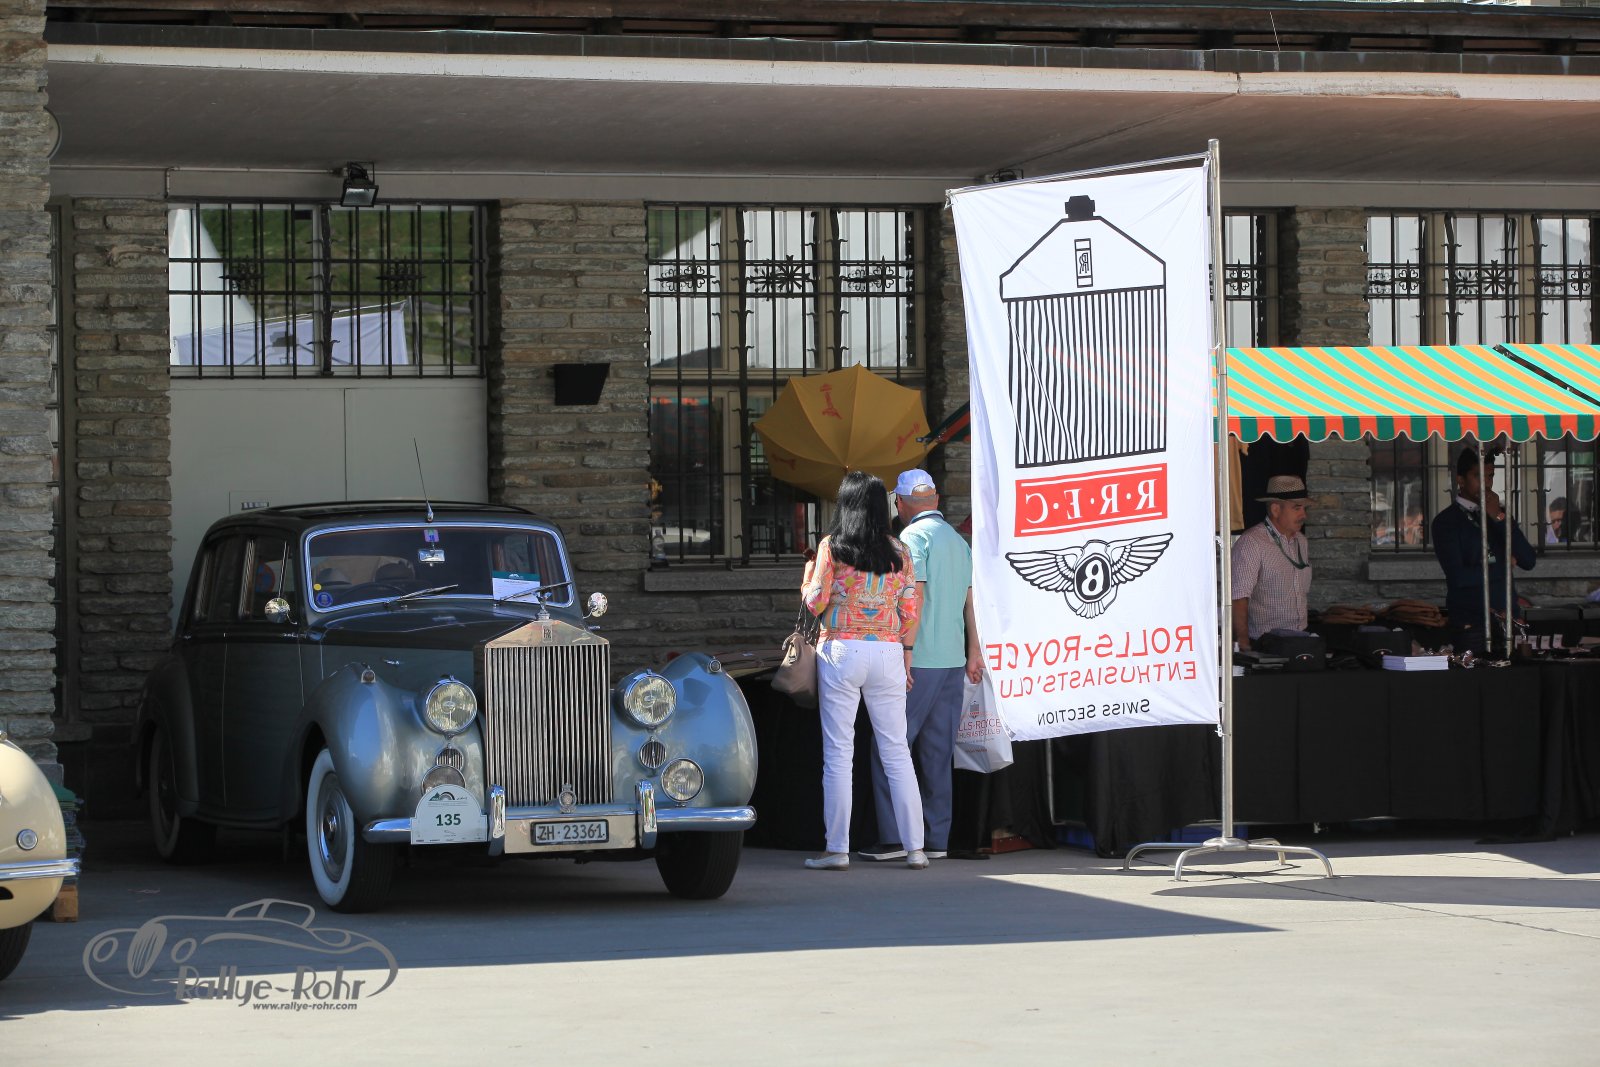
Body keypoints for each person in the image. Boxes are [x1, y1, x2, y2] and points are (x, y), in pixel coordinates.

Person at [800, 470, 927, 872]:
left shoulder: (832, 546)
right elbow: (910, 610)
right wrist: (904, 651)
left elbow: (815, 603)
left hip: (840, 649)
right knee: (897, 751)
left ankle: (837, 848)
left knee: (839, 752)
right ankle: (916, 848)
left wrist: (806, 579)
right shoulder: (900, 550)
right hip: (887, 651)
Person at [860, 469, 982, 863]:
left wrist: (906, 650)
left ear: (901, 503)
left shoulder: (913, 538)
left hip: (920, 658)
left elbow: (916, 597)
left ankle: (894, 837)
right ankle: (937, 838)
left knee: (890, 746)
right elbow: (971, 603)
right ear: (936, 499)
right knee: (937, 753)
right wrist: (974, 651)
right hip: (953, 659)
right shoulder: (958, 541)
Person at [1432, 448, 1536, 655]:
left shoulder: (1497, 515)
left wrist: (1498, 517)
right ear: (1460, 480)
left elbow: (1527, 560)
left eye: (1490, 476)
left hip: (1507, 617)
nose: (1486, 483)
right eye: (1478, 476)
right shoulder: (1446, 522)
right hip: (1471, 621)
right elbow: (1458, 577)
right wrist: (1503, 567)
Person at [1231, 475, 1312, 651]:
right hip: (1266, 644)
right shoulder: (1252, 543)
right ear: (1275, 509)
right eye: (1297, 508)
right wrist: (1243, 644)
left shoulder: (1301, 541)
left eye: (1304, 508)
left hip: (1300, 638)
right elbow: (1238, 598)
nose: (1303, 515)